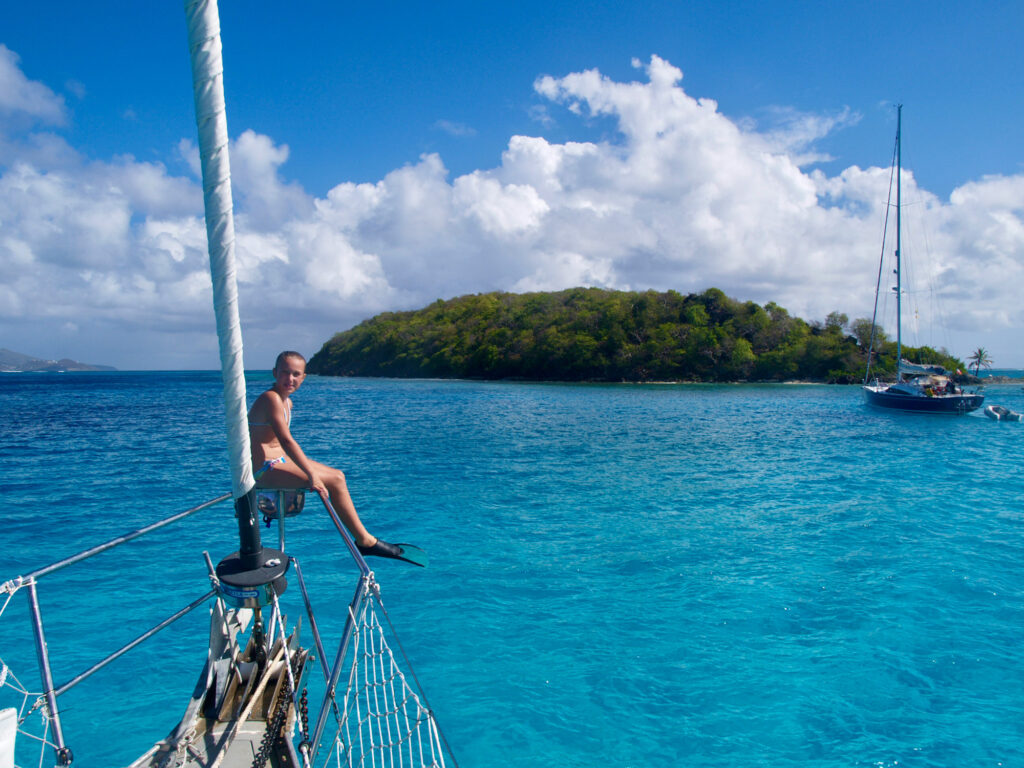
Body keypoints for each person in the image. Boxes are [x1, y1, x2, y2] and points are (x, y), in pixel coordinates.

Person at [248, 350, 403, 560]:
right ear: (275, 373)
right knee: (329, 480)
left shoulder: (287, 402)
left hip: (278, 461)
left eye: (296, 374)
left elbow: (281, 446)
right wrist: (311, 474)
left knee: (338, 476)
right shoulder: (271, 399)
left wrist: (308, 469)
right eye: (285, 373)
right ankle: (365, 541)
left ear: (303, 378)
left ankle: (365, 539)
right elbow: (286, 440)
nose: (290, 379)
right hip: (263, 471)